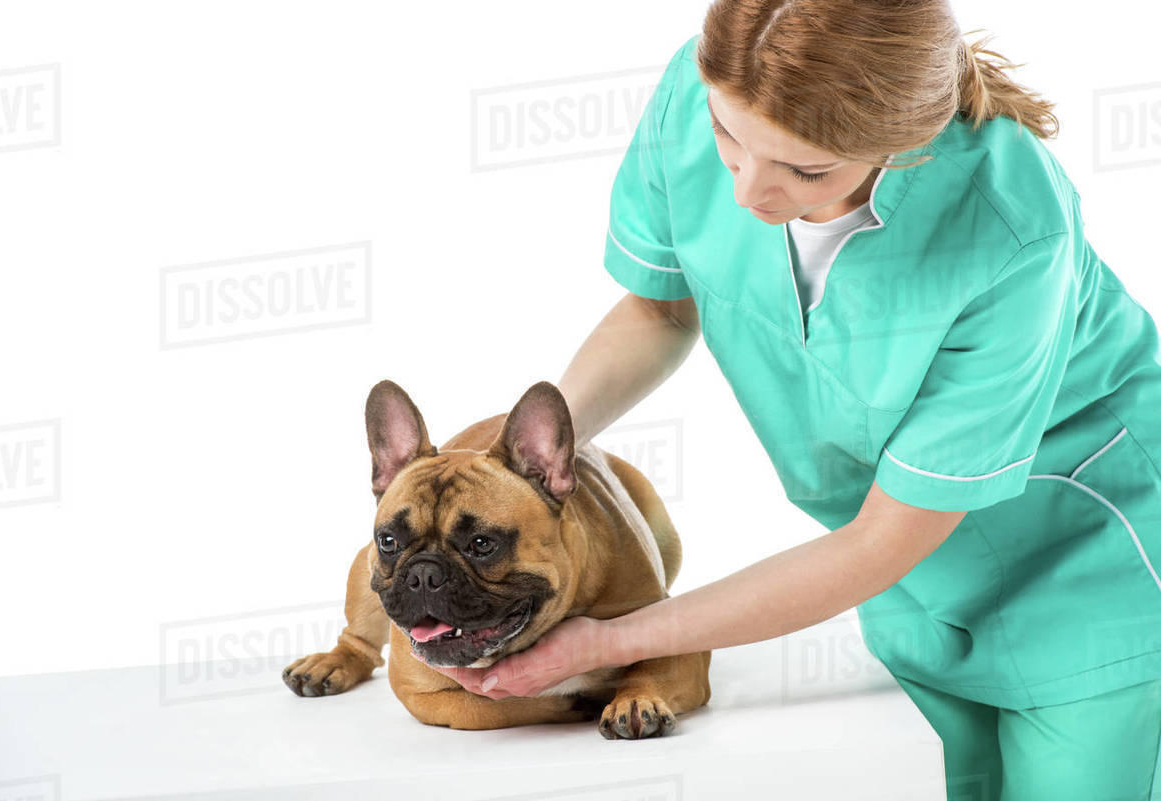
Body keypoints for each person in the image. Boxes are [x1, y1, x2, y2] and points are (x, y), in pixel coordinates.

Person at [413, 2, 1161, 798]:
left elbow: (881, 541)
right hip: (908, 588)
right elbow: (660, 308)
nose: (747, 191)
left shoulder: (1011, 229)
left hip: (1081, 573)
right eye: (728, 140)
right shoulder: (703, 85)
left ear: (904, 143)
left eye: (805, 172)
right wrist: (516, 466)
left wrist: (611, 642)